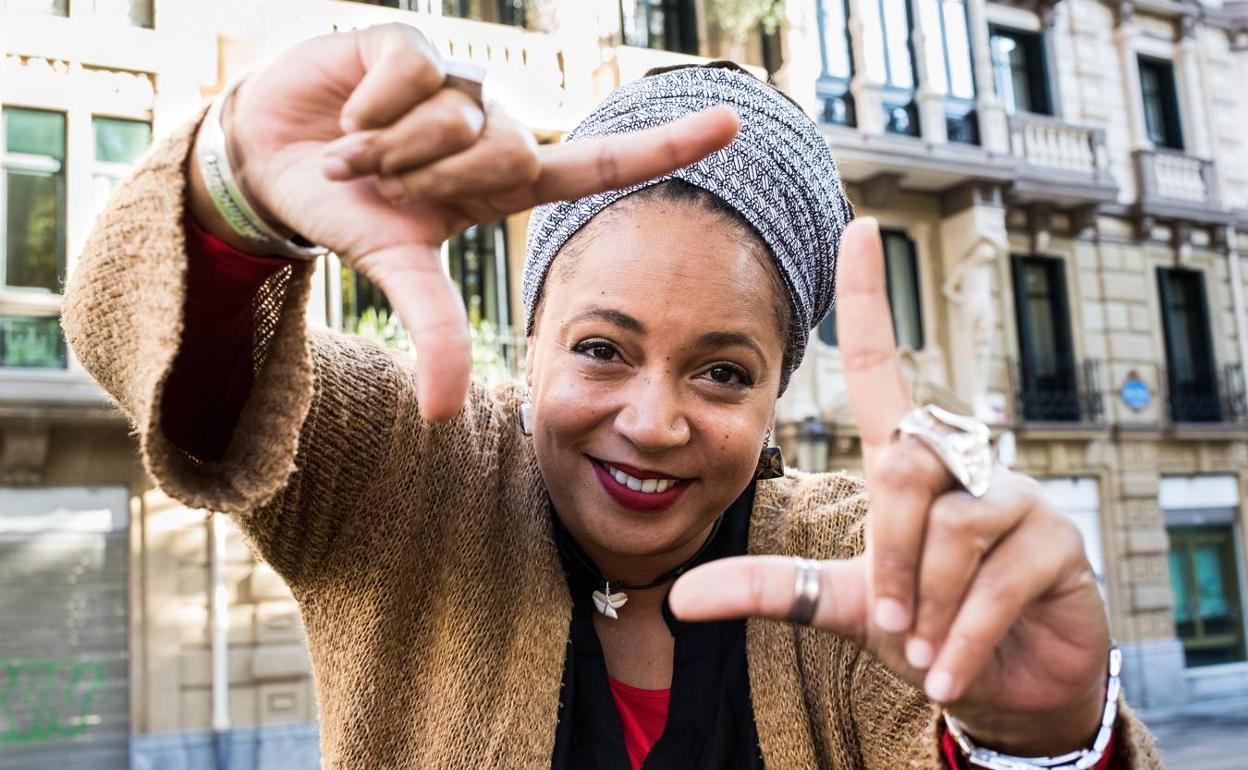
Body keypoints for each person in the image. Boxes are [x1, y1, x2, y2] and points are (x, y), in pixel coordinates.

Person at [63, 22, 1161, 770]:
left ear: (782, 387)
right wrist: (232, 195)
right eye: (602, 347)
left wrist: (1043, 739)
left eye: (724, 370)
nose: (652, 419)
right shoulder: (417, 468)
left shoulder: (866, 570)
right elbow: (159, 359)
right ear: (532, 338)